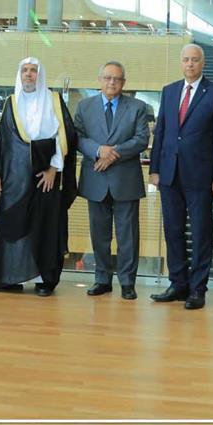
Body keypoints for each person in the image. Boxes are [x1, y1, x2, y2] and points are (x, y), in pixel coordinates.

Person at [149, 44, 213, 310]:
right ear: (181, 62)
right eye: (186, 59)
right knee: (173, 231)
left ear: (202, 63)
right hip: (169, 175)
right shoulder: (169, 91)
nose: (190, 64)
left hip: (201, 177)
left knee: (200, 234)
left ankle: (198, 289)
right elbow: (161, 133)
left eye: (195, 60)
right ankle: (178, 284)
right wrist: (154, 169)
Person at [0, 57, 78, 296]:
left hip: (45, 178)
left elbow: (65, 137)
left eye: (33, 70)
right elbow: (1, 142)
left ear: (40, 75)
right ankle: (9, 277)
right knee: (12, 225)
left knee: (44, 226)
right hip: (14, 179)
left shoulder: (54, 100)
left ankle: (43, 280)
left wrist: (53, 169)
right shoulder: (11, 103)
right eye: (25, 70)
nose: (28, 74)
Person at [74, 60, 150, 300]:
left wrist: (111, 153)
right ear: (99, 80)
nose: (112, 82)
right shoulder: (84, 107)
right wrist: (98, 151)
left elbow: (141, 139)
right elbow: (77, 137)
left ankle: (127, 282)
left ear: (124, 82)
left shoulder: (138, 107)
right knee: (99, 235)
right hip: (95, 179)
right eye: (107, 77)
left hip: (125, 180)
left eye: (117, 79)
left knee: (128, 236)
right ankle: (102, 279)